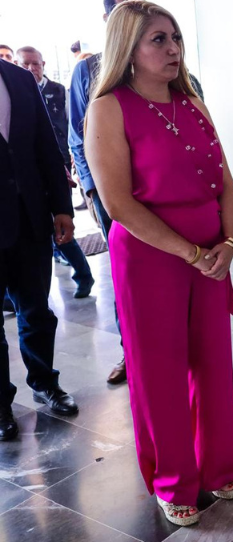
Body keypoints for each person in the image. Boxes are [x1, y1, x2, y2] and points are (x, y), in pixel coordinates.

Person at [85, 0, 233, 527]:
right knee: (160, 373)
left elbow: (225, 180)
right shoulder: (109, 107)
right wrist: (192, 253)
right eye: (159, 39)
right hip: (152, 258)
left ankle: (220, 466)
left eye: (175, 38)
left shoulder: (191, 100)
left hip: (211, 256)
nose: (173, 48)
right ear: (128, 48)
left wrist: (230, 242)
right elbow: (118, 205)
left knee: (214, 365)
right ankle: (173, 480)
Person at [0, 57, 81, 442]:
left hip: (30, 218)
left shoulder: (18, 78)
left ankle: (45, 382)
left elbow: (47, 149)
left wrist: (62, 207)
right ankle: (0, 403)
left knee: (36, 311)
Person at [70, 0, 146, 385]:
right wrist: (96, 192)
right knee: (126, 275)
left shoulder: (164, 62)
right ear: (107, 20)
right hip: (112, 197)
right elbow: (77, 137)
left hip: (161, 195)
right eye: (122, 10)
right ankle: (129, 352)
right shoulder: (89, 73)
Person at [16, 46, 94, 299]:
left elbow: (71, 128)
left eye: (34, 63)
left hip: (57, 168)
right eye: (24, 64)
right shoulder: (17, 92)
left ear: (43, 63)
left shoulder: (59, 91)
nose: (30, 69)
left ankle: (83, 275)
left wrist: (69, 164)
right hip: (30, 174)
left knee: (60, 227)